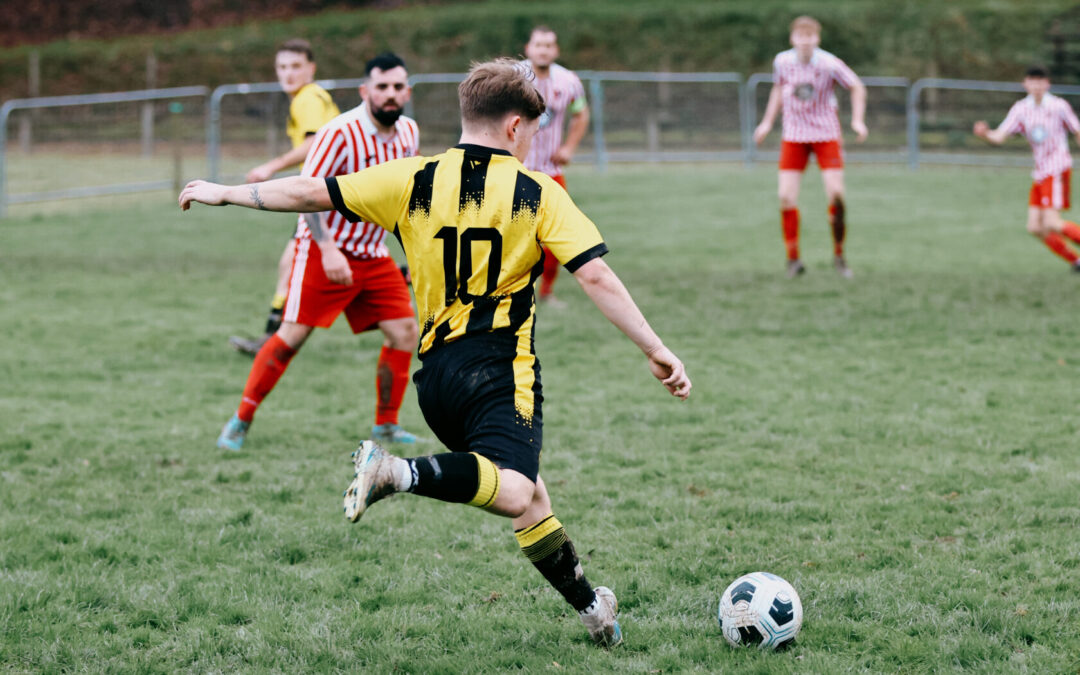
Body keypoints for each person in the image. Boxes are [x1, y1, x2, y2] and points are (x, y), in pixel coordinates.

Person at [180, 58, 692, 647]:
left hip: (437, 382)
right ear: (515, 128)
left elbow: (309, 191)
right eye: (533, 132)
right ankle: (395, 471)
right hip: (499, 369)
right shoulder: (537, 191)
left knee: (528, 497)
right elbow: (595, 277)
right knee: (518, 489)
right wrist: (656, 349)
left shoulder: (411, 177)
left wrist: (226, 192)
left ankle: (593, 610)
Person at [214, 52, 423, 451]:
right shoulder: (340, 133)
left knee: (404, 332)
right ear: (365, 91)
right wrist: (328, 249)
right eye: (382, 87)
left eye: (398, 87)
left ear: (407, 91)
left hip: (372, 252)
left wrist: (414, 249)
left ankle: (386, 426)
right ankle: (240, 420)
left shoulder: (409, 132)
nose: (391, 94)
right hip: (323, 247)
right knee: (291, 335)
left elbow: (403, 197)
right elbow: (304, 195)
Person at [229, 38, 340, 356]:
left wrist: (270, 166)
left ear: (311, 68)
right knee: (293, 264)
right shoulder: (310, 97)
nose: (288, 73)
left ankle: (272, 338)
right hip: (324, 193)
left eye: (295, 66)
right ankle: (271, 337)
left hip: (323, 195)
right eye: (282, 67)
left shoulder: (308, 98)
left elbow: (313, 142)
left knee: (297, 264)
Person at [753, 15, 867, 279]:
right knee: (785, 197)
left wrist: (858, 121)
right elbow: (778, 90)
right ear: (793, 38)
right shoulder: (782, 61)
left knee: (837, 194)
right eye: (800, 36)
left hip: (826, 133)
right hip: (793, 134)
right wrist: (766, 123)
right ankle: (793, 260)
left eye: (810, 36)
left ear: (818, 39)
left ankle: (839, 254)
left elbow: (857, 87)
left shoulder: (829, 63)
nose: (805, 41)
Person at [974, 66, 1080, 271]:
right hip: (1040, 173)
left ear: (1047, 84)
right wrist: (985, 133)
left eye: (1041, 81)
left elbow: (1077, 129)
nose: (1037, 85)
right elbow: (999, 136)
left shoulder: (1058, 106)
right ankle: (1076, 261)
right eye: (1032, 80)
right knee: (1034, 227)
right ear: (1025, 84)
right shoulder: (1021, 109)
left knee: (1051, 222)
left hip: (1057, 168)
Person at [522, 25, 590, 305]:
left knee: (557, 237)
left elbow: (581, 114)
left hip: (551, 173)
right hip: (516, 170)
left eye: (548, 45)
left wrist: (569, 147)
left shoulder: (569, 81)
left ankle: (546, 291)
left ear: (556, 50)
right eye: (538, 45)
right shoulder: (514, 76)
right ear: (529, 48)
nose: (543, 50)